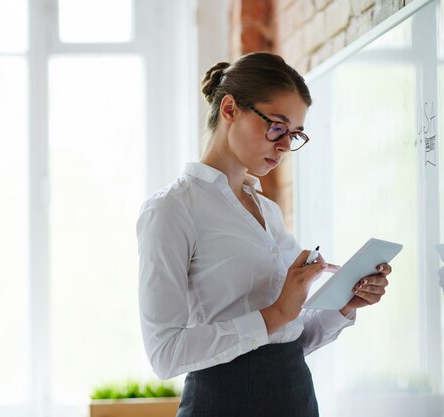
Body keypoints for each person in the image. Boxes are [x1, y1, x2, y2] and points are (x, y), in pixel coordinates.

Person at [136, 52, 392, 417]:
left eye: (295, 134)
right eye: (276, 127)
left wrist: (345, 303)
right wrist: (275, 312)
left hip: (296, 399)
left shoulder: (267, 211)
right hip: (224, 405)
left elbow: (288, 338)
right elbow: (165, 353)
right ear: (229, 110)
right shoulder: (172, 209)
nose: (286, 146)